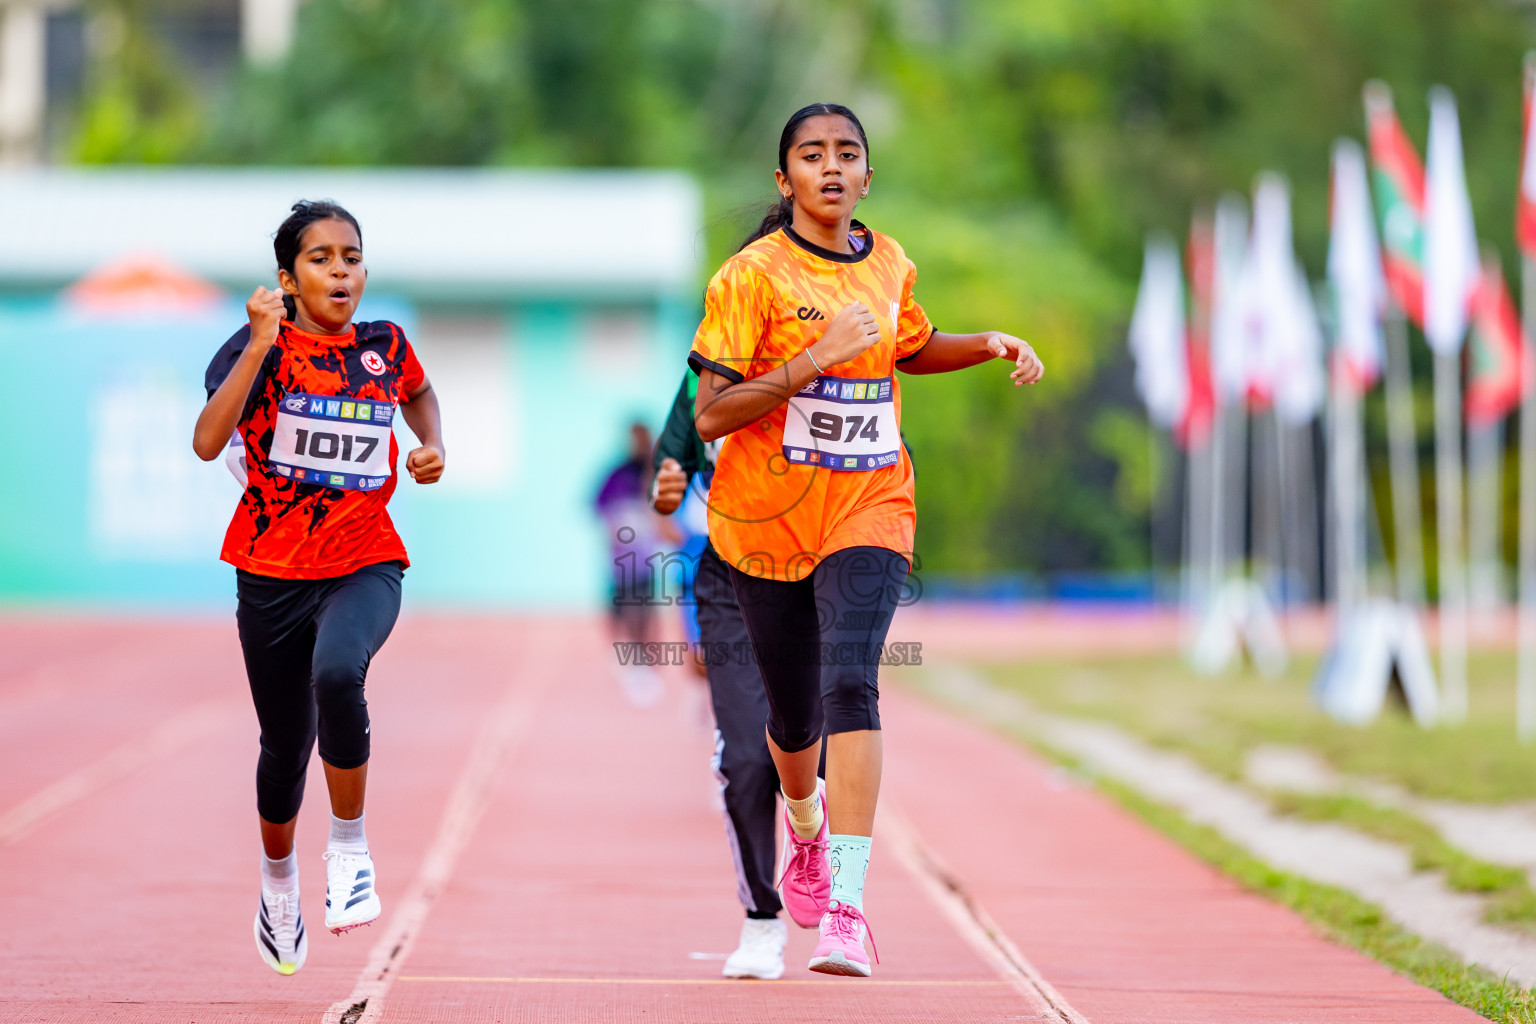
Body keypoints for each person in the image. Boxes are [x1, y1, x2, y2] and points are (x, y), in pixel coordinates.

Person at [689, 103, 1044, 977]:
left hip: (872, 506)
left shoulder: (889, 263)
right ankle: (803, 826)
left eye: (849, 153)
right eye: (813, 156)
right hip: (766, 522)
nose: (833, 168)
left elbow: (909, 346)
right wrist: (812, 359)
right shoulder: (749, 278)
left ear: (868, 175)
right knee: (791, 722)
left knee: (853, 681)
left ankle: (846, 907)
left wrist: (988, 342)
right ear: (786, 181)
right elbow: (710, 415)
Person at [192, 200, 445, 976]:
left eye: (351, 257)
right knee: (283, 746)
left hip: (366, 557)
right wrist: (263, 341)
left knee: (340, 671)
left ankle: (348, 850)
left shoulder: (383, 345)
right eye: (322, 259)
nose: (341, 272)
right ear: (286, 278)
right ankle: (277, 886)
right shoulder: (253, 348)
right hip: (270, 570)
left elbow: (420, 395)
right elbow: (207, 443)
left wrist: (432, 444)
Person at [651, 370, 803, 981]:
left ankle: (826, 862)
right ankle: (762, 919)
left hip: (821, 571)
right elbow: (668, 474)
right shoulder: (702, 378)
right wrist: (665, 489)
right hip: (730, 571)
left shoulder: (835, 350)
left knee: (814, 757)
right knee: (744, 759)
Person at [595, 421, 665, 706]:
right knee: (620, 611)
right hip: (621, 559)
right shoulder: (617, 472)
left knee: (645, 612)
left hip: (646, 559)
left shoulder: (655, 471)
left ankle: (646, 666)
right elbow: (599, 507)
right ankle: (631, 658)